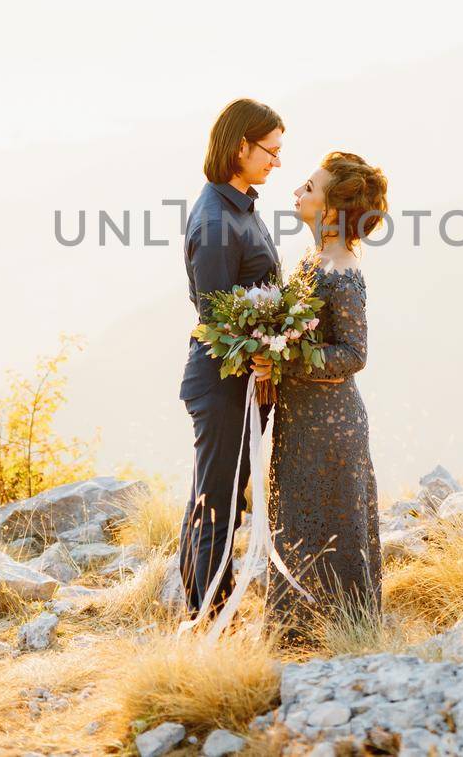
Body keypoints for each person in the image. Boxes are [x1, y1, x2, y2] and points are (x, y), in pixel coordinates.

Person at [252, 150, 387, 644]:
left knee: (330, 527)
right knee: (294, 517)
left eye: (308, 188)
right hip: (300, 417)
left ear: (330, 210)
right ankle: (295, 636)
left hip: (332, 425)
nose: (297, 192)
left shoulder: (343, 270)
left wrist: (285, 360)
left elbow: (354, 353)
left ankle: (345, 636)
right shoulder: (313, 258)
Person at [177, 97, 284, 617]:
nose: (277, 162)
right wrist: (261, 354)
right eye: (271, 150)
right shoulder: (216, 220)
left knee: (213, 493)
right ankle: (208, 619)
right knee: (218, 504)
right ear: (240, 146)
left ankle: (198, 610)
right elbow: (218, 319)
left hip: (238, 382)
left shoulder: (240, 205)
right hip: (223, 384)